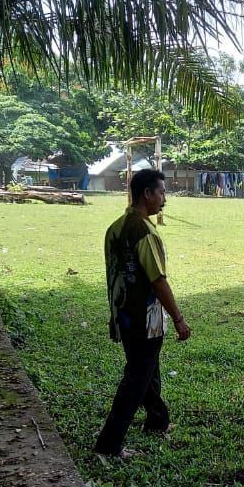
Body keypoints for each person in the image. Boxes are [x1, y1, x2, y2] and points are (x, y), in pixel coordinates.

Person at [93, 169, 191, 459]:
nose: (165, 198)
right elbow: (157, 280)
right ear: (147, 194)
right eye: (161, 192)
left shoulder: (116, 227)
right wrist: (178, 317)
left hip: (122, 313)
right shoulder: (145, 232)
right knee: (136, 378)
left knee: (146, 369)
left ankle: (157, 419)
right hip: (144, 318)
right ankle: (109, 444)